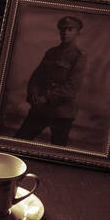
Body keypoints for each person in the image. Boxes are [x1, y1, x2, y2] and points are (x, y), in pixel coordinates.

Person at [14, 15, 86, 146]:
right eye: (63, 29)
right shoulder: (51, 52)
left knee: (57, 149)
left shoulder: (79, 57)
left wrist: (46, 98)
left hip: (62, 112)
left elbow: (71, 88)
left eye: (70, 29)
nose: (65, 32)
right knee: (19, 140)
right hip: (41, 109)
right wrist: (33, 93)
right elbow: (37, 76)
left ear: (78, 32)